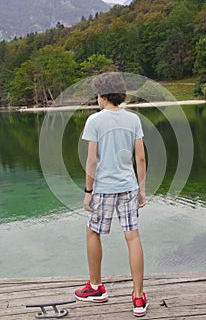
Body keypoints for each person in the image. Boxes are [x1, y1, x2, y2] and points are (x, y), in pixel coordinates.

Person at [75, 72, 148, 317]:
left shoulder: (95, 121)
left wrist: (88, 192)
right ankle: (138, 298)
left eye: (97, 94)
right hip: (128, 186)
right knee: (133, 237)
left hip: (104, 188)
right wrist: (142, 189)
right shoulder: (133, 119)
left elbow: (92, 160)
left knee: (92, 232)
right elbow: (140, 157)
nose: (96, 98)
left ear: (103, 95)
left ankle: (96, 288)